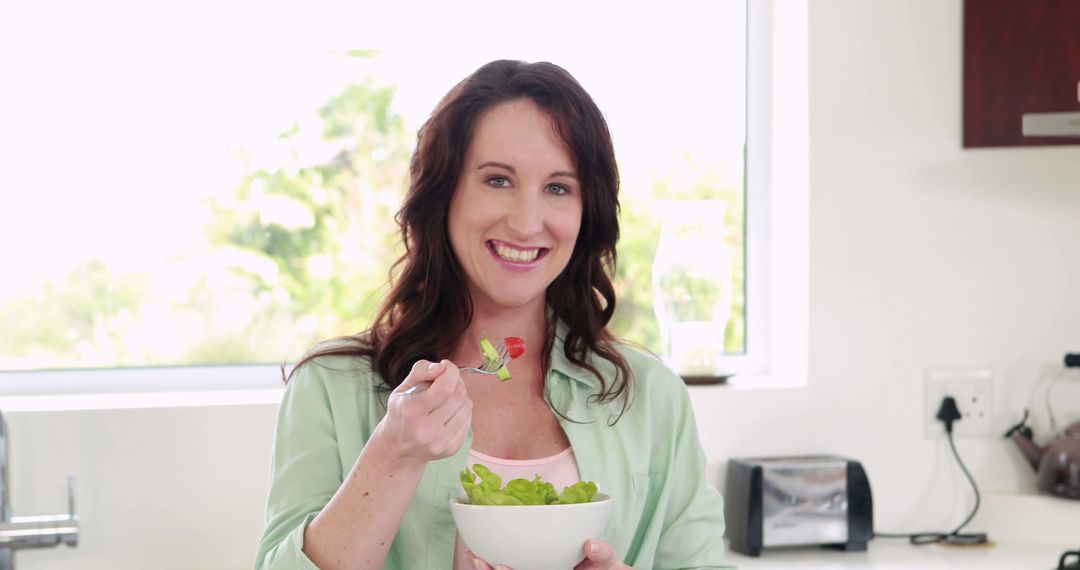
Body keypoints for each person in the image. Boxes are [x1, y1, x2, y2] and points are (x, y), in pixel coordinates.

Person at [254, 59, 734, 570]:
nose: (527, 223)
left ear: (585, 211)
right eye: (498, 180)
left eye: (558, 188)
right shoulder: (331, 388)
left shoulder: (650, 396)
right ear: (444, 194)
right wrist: (394, 454)